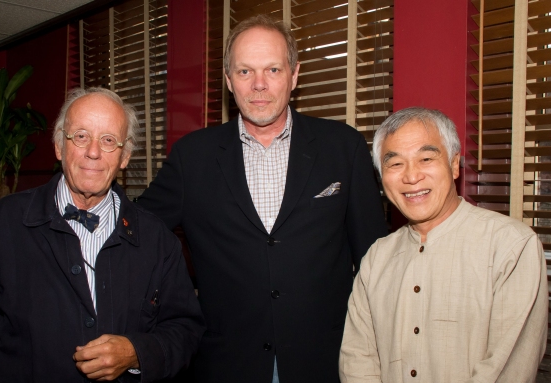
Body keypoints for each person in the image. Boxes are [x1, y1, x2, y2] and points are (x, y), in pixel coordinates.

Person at [137, 14, 387, 383]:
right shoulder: (193, 156)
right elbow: (135, 231)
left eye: (272, 69)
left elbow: (375, 257)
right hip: (226, 362)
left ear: (294, 75)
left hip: (326, 360)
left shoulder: (342, 146)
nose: (258, 85)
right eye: (244, 72)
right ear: (228, 81)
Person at [0, 87, 205, 383]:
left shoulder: (157, 240)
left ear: (124, 157)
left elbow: (186, 331)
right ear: (60, 145)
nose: (94, 152)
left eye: (108, 140)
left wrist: (136, 351)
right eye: (81, 136)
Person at [339, 107, 548, 382]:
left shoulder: (510, 246)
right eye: (395, 163)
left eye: (426, 158)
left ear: (453, 164)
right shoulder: (378, 256)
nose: (411, 176)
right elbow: (357, 359)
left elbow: (507, 368)